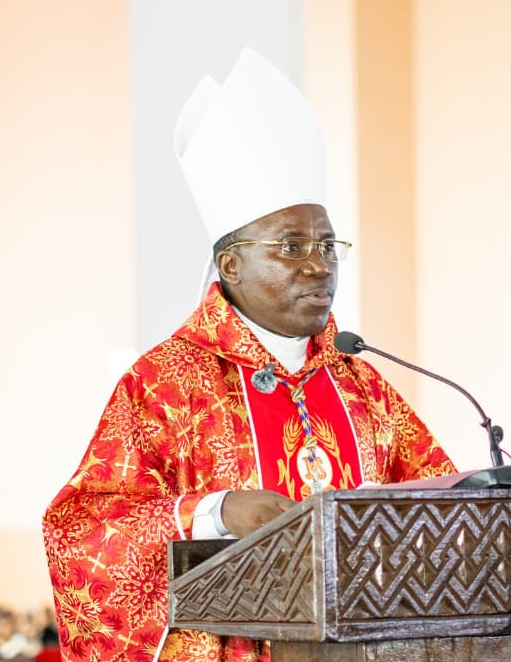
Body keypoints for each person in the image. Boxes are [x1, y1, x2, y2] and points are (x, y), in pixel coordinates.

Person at [42, 48, 455, 662]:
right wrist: (213, 513)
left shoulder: (362, 384)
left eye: (327, 245)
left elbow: (445, 512)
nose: (319, 265)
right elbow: (81, 534)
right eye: (291, 246)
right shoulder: (163, 385)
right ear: (230, 264)